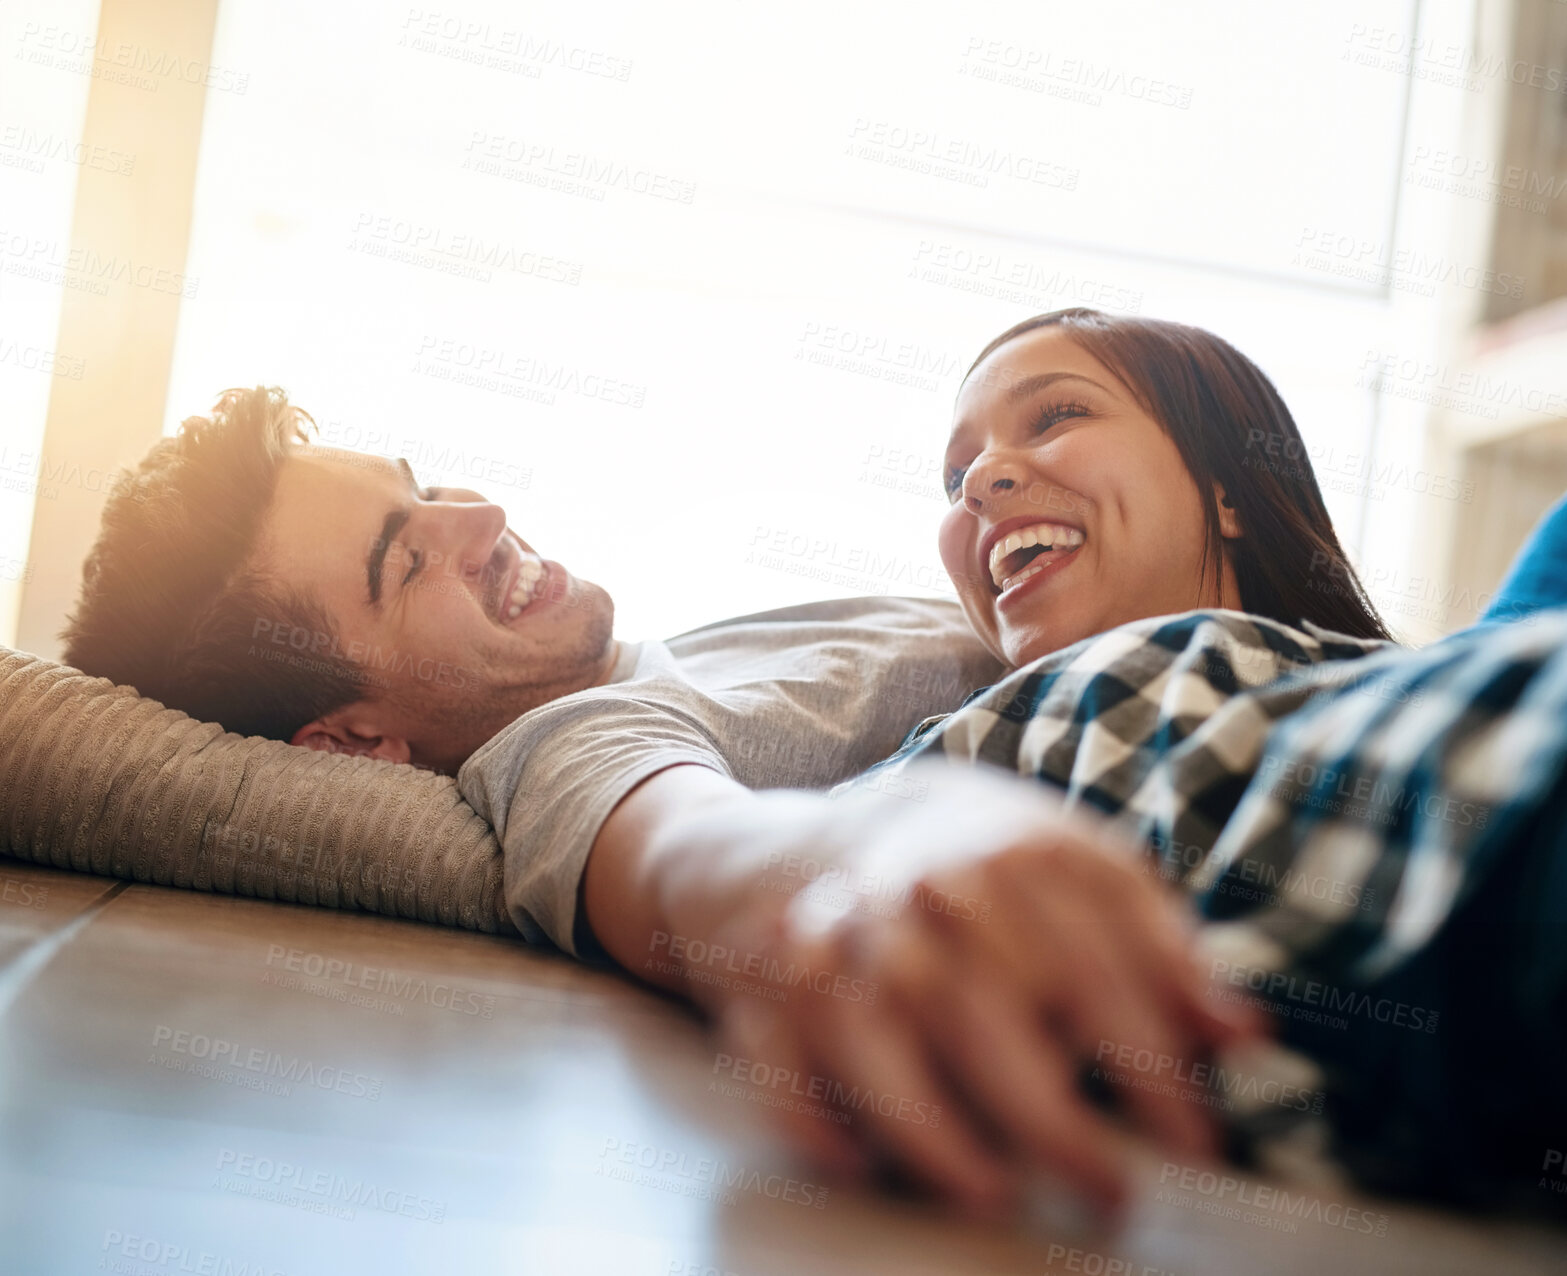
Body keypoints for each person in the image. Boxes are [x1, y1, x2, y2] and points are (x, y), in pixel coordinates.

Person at [61, 309, 1389, 1219]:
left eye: (433, 482)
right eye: (407, 556)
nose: (482, 517)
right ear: (355, 741)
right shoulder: (565, 738)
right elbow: (688, 850)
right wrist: (894, 846)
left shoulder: (714, 651)